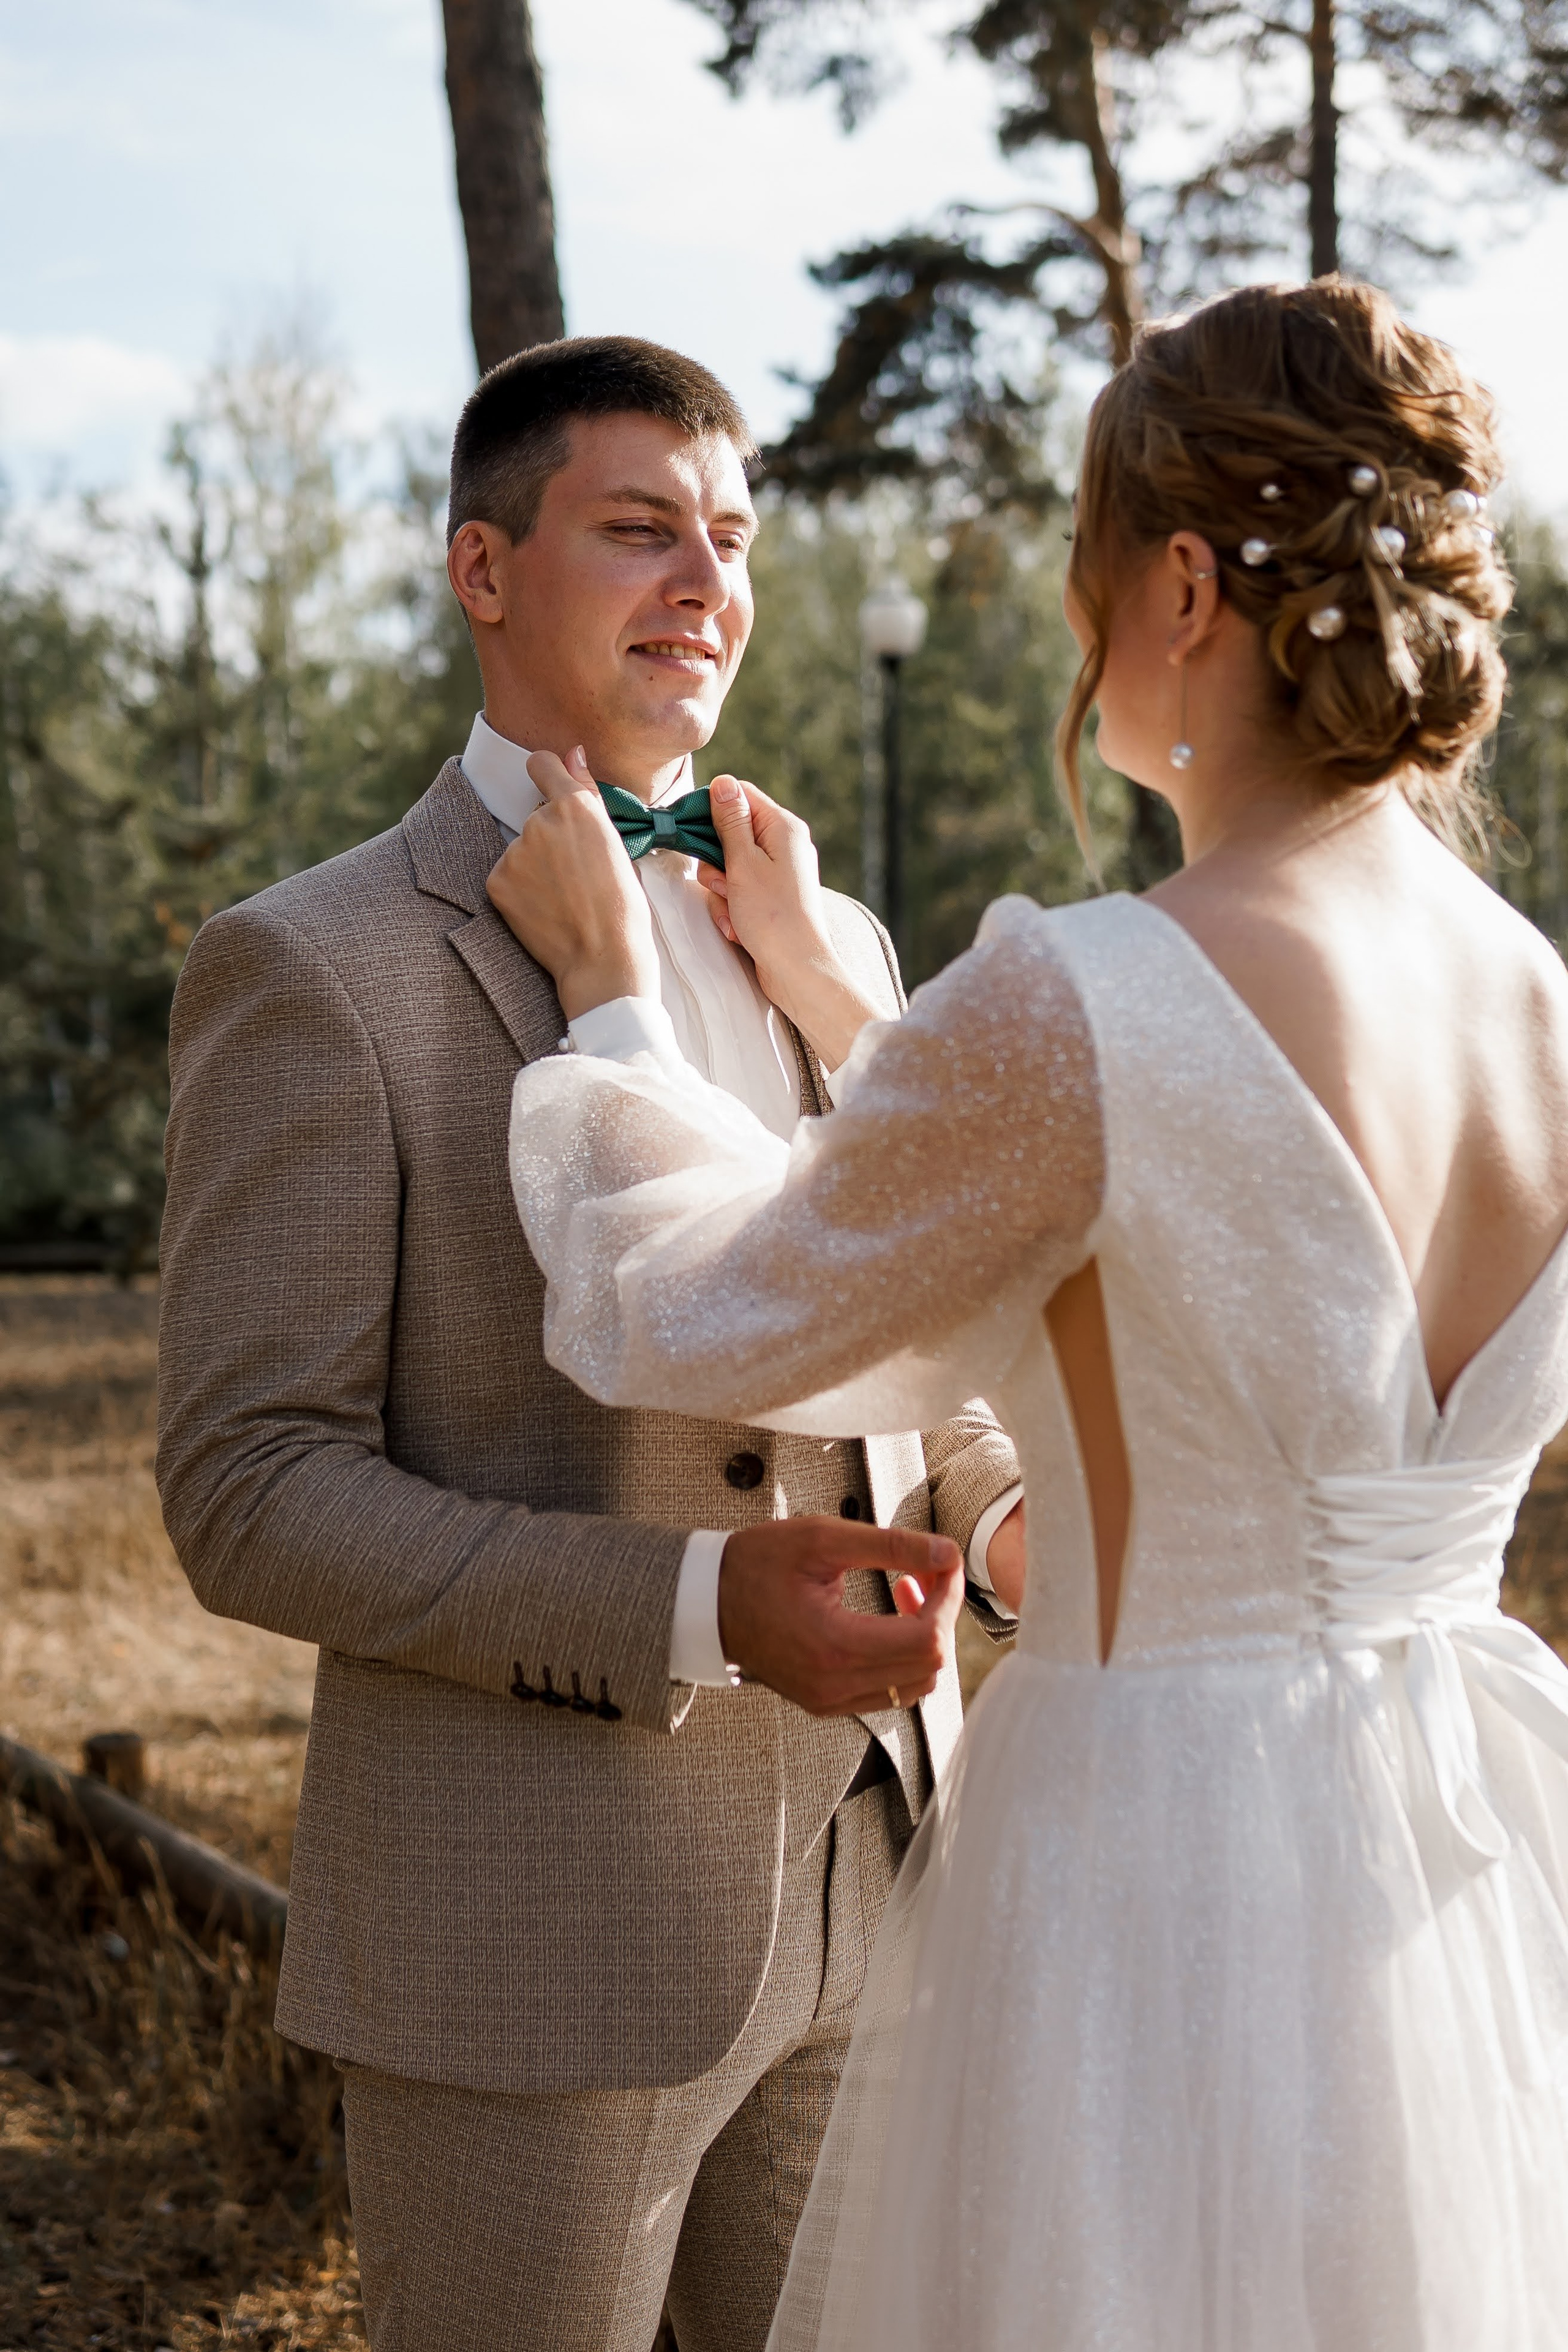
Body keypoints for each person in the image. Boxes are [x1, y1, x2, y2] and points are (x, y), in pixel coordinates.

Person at [493, 281, 1568, 2349]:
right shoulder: (1530, 991)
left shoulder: (1084, 993)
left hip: (1163, 1849)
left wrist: (623, 1006)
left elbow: (711, 1312)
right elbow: (1139, 1235)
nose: (1079, 631)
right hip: (1453, 1846)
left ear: (1176, 583)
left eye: (1083, 574)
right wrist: (851, 1010)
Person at [154, 336, 1025, 2352]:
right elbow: (247, 1493)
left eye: (730, 540)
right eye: (640, 531)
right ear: (483, 568)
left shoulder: (838, 941)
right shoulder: (315, 964)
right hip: (531, 1938)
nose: (704, 581)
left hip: (891, 1878)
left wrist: (992, 1527)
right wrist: (703, 1604)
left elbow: (912, 1349)